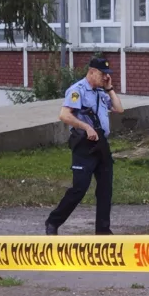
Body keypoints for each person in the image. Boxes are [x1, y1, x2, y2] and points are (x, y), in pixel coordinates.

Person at [45, 57, 124, 235]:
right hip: (84, 146)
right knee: (79, 188)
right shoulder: (77, 91)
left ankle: (103, 231)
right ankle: (53, 221)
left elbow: (119, 109)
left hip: (102, 146)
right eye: (103, 74)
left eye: (107, 75)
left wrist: (109, 88)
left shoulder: (101, 92)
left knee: (105, 190)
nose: (105, 77)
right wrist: (86, 126)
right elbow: (64, 115)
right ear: (92, 72)